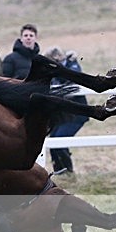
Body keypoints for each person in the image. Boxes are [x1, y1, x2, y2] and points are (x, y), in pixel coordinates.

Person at [45, 46, 89, 174]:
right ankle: (60, 171)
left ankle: (68, 172)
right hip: (63, 114)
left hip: (76, 114)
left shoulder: (73, 66)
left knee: (60, 140)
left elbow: (71, 81)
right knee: (54, 140)